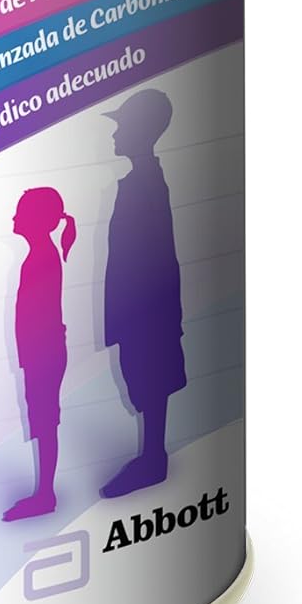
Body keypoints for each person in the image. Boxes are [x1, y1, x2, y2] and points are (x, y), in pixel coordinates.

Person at [100, 88, 187, 497]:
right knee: (144, 380)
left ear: (140, 130)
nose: (115, 134)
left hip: (144, 311)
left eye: (121, 126)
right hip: (142, 309)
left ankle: (153, 460)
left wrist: (138, 316)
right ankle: (153, 457)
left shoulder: (143, 185)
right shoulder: (142, 181)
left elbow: (152, 256)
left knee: (149, 379)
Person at [4, 186, 76, 521]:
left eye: (20, 212)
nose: (14, 218)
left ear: (35, 219)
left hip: (44, 354)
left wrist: (32, 356)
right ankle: (44, 491)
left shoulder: (42, 258)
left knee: (45, 421)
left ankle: (46, 494)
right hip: (42, 353)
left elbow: (39, 314)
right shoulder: (40, 255)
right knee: (44, 420)